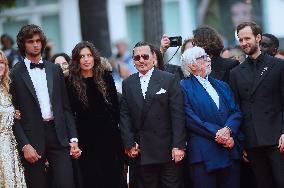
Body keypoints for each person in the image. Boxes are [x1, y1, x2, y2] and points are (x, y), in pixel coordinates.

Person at [10, 24, 81, 188]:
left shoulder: (54, 69)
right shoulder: (15, 73)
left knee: (66, 183)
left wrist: (73, 138)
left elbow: (65, 107)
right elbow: (13, 115)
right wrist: (24, 145)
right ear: (23, 44)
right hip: (32, 139)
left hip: (59, 136)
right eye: (30, 41)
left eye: (38, 41)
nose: (35, 44)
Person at [120, 41, 186, 188]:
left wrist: (179, 145)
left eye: (145, 56)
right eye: (137, 58)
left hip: (168, 150)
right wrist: (129, 143)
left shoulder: (169, 79)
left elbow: (178, 115)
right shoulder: (128, 83)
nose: (141, 60)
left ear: (154, 57)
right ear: (133, 61)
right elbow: (125, 116)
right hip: (142, 151)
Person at [230, 21, 284, 188]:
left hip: (277, 138)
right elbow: (236, 108)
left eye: (247, 38)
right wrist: (241, 143)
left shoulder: (278, 65)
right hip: (252, 140)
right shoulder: (236, 72)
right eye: (240, 40)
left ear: (258, 37)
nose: (244, 43)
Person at [180, 46, 243, 188]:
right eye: (203, 57)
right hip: (204, 153)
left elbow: (236, 111)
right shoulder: (183, 87)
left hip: (229, 150)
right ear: (192, 65)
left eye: (207, 56)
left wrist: (228, 130)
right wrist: (218, 133)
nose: (208, 59)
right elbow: (190, 118)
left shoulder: (222, 85)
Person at [66, 41, 123, 188]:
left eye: (89, 55)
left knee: (114, 179)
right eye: (82, 56)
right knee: (93, 180)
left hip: (110, 138)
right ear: (76, 60)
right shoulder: (69, 82)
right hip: (86, 140)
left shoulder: (106, 77)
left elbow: (116, 109)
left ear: (94, 57)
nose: (86, 59)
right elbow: (70, 112)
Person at [0, 50, 26, 187]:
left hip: (10, 145)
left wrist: (14, 113)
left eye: (2, 62)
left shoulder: (5, 89)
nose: (0, 66)